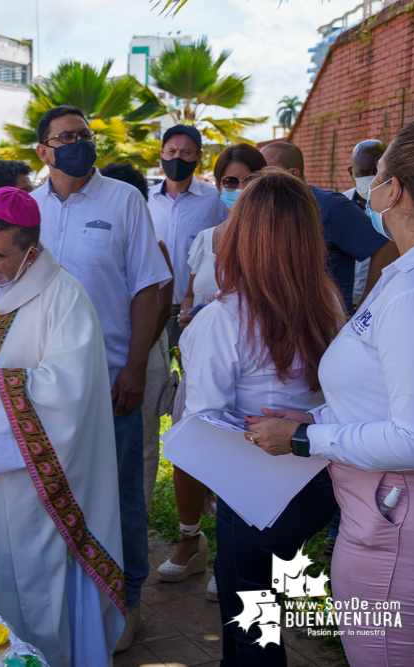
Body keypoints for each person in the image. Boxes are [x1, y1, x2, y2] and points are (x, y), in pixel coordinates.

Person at [247, 119, 414, 666]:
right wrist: (318, 416)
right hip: (385, 515)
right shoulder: (406, 276)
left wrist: (308, 439)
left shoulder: (413, 294)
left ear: (391, 190)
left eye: (377, 177)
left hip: (392, 526)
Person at [0, 187, 124, 666]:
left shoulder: (64, 298)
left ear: (30, 251)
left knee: (20, 586)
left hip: (20, 483)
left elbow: (69, 392)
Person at [182, 168, 342, 665]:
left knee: (252, 619)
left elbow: (203, 418)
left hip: (254, 487)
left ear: (242, 236)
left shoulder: (225, 316)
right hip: (317, 479)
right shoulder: (329, 301)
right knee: (260, 609)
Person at [30, 105, 172, 651]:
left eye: (84, 136)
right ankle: (65, 595)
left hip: (111, 381)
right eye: (65, 138)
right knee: (55, 491)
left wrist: (136, 368)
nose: (79, 144)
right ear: (43, 151)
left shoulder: (123, 199)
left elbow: (147, 289)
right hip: (44, 384)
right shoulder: (29, 209)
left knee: (120, 495)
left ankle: (129, 601)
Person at [162, 144, 266, 599]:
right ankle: (190, 541)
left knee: (237, 459)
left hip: (251, 373)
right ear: (218, 185)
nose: (237, 190)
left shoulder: (270, 242)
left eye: (247, 181)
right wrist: (189, 316)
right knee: (189, 453)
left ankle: (230, 555)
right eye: (229, 182)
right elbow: (189, 297)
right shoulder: (205, 239)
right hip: (198, 364)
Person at [100, 162, 175, 509]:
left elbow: (163, 298)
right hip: (113, 355)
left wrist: (137, 358)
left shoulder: (150, 242)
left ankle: (137, 526)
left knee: (141, 447)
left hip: (143, 354)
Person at [261, 141, 399, 312]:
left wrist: (366, 307)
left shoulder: (329, 207)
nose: (258, 179)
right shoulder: (263, 211)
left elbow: (386, 246)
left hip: (327, 327)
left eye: (265, 171)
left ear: (293, 174)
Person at [147, 125, 228, 346]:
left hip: (196, 312)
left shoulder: (215, 199)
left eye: (186, 152)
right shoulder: (144, 200)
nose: (177, 158)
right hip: (151, 311)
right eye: (171, 151)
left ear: (198, 157)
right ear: (162, 153)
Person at [343, 139, 388, 307]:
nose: (370, 179)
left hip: (382, 301)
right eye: (363, 173)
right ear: (351, 172)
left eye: (374, 172)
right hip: (347, 302)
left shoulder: (399, 207)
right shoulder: (340, 206)